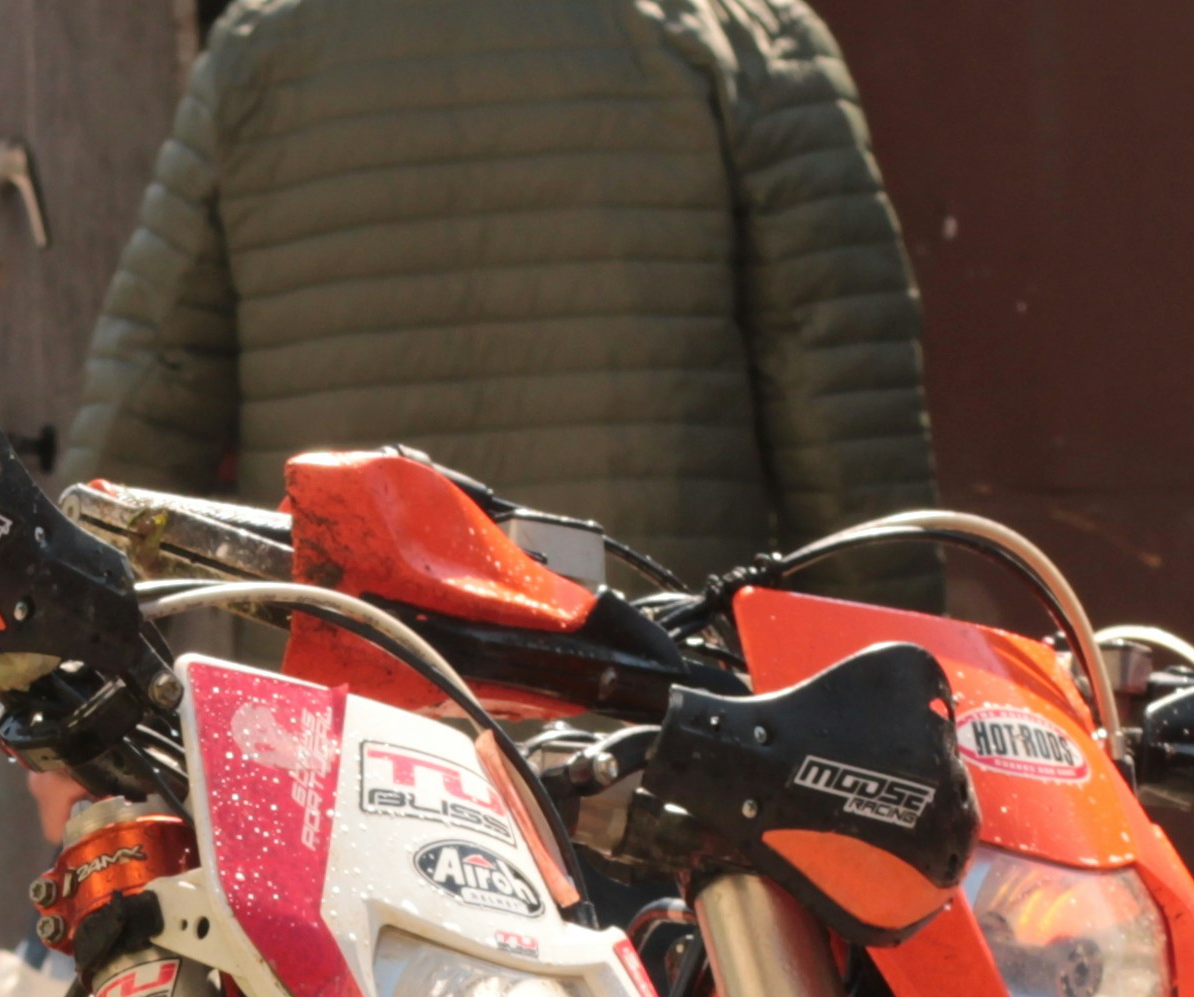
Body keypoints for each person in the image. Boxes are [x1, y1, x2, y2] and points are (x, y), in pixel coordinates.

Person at [56, 0, 938, 584]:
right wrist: (896, 712)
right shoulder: (742, 32)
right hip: (648, 737)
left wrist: (56, 688)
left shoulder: (264, 44)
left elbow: (149, 394)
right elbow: (848, 423)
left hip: (340, 726)